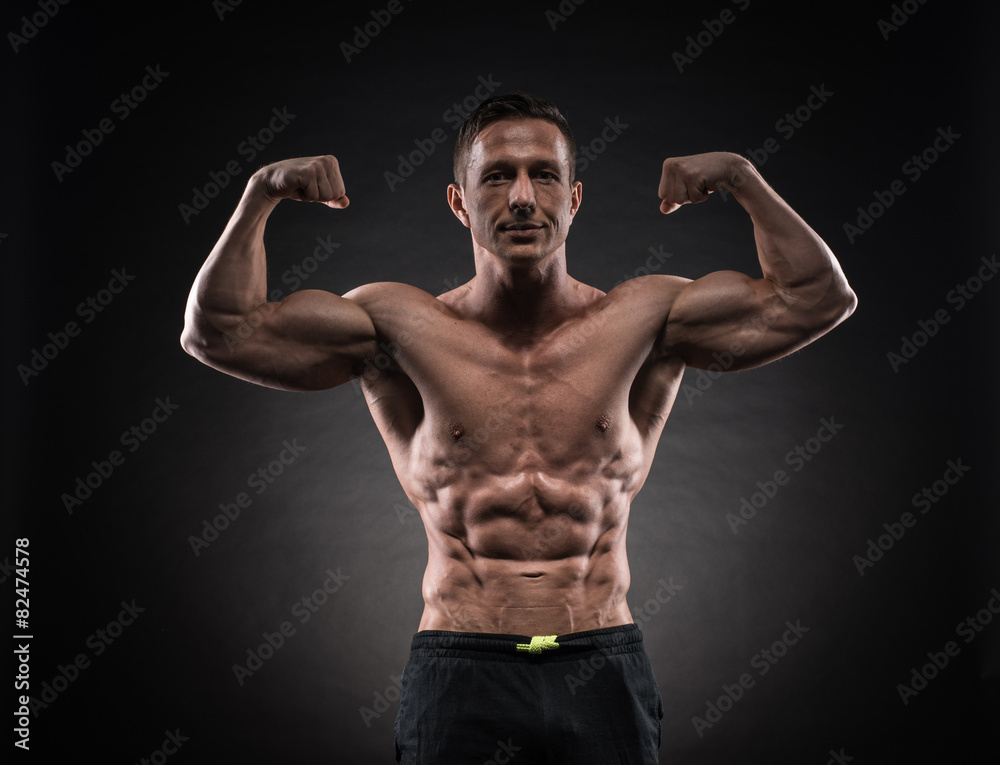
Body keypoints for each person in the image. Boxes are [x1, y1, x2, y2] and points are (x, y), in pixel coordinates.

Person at [180, 91, 857, 763]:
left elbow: (818, 297)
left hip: (601, 661)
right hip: (460, 665)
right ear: (459, 202)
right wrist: (260, 192)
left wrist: (742, 178)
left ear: (576, 197)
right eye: (497, 176)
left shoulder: (648, 318)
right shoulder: (397, 325)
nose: (524, 198)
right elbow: (219, 333)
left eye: (545, 175)